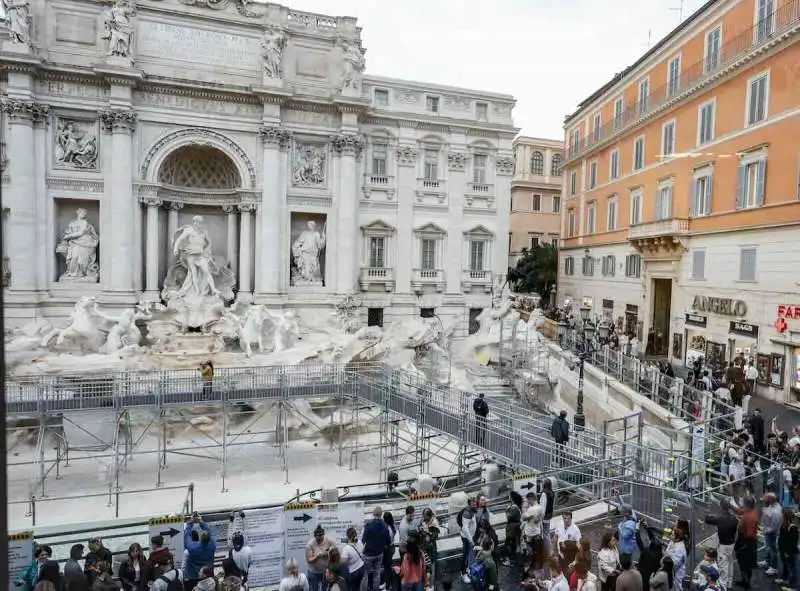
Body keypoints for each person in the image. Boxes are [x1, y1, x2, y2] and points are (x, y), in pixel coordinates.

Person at [704, 500, 737, 589]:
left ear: (721, 507)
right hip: (731, 544)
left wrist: (709, 513)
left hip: (723, 545)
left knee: (723, 566)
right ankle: (729, 583)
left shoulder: (720, 518)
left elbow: (707, 519)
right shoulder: (734, 518)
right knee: (730, 563)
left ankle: (723, 586)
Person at [184, 513, 217, 591]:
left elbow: (186, 537)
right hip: (208, 575)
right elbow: (209, 531)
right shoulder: (212, 544)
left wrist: (190, 523)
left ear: (201, 538)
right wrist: (201, 522)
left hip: (194, 577)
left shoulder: (193, 548)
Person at [362, 506, 392, 591]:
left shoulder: (368, 525)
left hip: (368, 554)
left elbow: (363, 540)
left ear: (373, 514)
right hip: (379, 554)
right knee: (377, 574)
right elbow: (388, 541)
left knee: (365, 574)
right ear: (381, 514)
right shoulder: (385, 526)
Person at [634, 519, 662, 591]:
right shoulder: (659, 554)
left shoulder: (646, 552)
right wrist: (647, 528)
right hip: (652, 580)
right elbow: (653, 539)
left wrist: (637, 529)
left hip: (643, 579)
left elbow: (639, 542)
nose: (649, 541)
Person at [306, 525, 336, 591]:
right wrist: (317, 556)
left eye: (321, 539)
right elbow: (309, 560)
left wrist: (329, 551)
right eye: (318, 539)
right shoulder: (310, 545)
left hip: (325, 572)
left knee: (325, 589)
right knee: (314, 589)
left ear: (323, 536)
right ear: (315, 537)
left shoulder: (327, 539)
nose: (320, 541)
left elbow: (335, 546)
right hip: (314, 572)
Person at [761, 492, 782, 576]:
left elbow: (774, 527)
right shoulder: (771, 506)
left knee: (773, 550)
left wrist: (765, 530)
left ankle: (774, 568)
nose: (764, 501)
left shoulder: (776, 511)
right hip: (767, 530)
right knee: (768, 548)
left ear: (770, 500)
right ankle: (767, 561)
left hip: (771, 533)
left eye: (765, 500)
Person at [777, 508, 799, 588]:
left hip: (791, 552)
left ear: (786, 517)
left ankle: (792, 585)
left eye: (782, 516)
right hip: (783, 551)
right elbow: (781, 538)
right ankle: (784, 579)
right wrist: (780, 548)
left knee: (792, 569)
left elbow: (793, 543)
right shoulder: (783, 526)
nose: (781, 517)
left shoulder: (793, 528)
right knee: (785, 566)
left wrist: (787, 552)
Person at [458, 498, 477, 584]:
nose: (475, 504)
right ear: (469, 504)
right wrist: (471, 540)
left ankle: (466, 569)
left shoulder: (472, 510)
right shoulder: (466, 513)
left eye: (475, 502)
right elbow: (465, 529)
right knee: (465, 555)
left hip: (469, 537)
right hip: (466, 538)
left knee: (468, 554)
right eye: (473, 502)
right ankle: (463, 573)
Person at [341, 527, 365, 591]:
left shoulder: (346, 548)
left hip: (354, 571)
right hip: (361, 567)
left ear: (347, 536)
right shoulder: (360, 542)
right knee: (358, 585)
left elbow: (344, 562)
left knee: (354, 588)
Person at [502, 491, 523, 567]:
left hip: (512, 528)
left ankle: (511, 560)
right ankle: (516, 560)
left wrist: (506, 510)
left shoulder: (513, 507)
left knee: (510, 544)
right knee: (515, 544)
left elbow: (509, 517)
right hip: (516, 527)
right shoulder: (518, 506)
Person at [540, 479, 556, 554]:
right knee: (546, 532)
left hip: (544, 516)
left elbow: (543, 506)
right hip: (549, 515)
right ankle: (548, 549)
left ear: (544, 485)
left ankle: (549, 550)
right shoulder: (551, 492)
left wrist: (541, 517)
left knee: (545, 533)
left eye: (542, 483)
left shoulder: (544, 493)